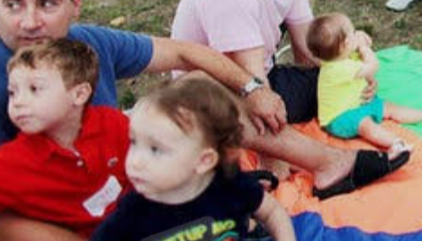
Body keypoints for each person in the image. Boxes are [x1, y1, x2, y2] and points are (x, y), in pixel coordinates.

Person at [0, 0, 386, 241]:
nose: (30, 21)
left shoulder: (88, 43)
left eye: (47, 4)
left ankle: (326, 165)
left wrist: (252, 88)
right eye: (13, 5)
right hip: (98, 221)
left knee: (197, 91)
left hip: (139, 182)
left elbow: (184, 51)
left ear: (74, 4)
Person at [171, 0, 409, 197]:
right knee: (266, 102)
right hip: (213, 94)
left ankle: (321, 158)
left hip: (259, 75)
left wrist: (354, 67)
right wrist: (277, 156)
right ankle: (327, 165)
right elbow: (253, 87)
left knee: (335, 85)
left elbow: (308, 53)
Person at [91, 77, 296, 241]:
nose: (135, 161)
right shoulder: (132, 214)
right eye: (133, 142)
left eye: (155, 149)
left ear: (204, 161)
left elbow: (272, 213)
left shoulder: (229, 185)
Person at [0, 40, 130, 237]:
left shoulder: (113, 124)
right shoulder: (9, 163)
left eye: (34, 89)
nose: (17, 102)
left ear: (79, 94)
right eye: (12, 92)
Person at [307, 13, 422, 161]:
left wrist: (365, 42)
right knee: (365, 124)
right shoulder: (337, 68)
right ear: (345, 45)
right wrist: (363, 47)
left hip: (357, 105)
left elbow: (365, 57)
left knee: (389, 107)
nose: (356, 33)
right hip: (338, 119)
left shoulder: (343, 56)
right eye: (352, 33)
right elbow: (373, 65)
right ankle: (395, 144)